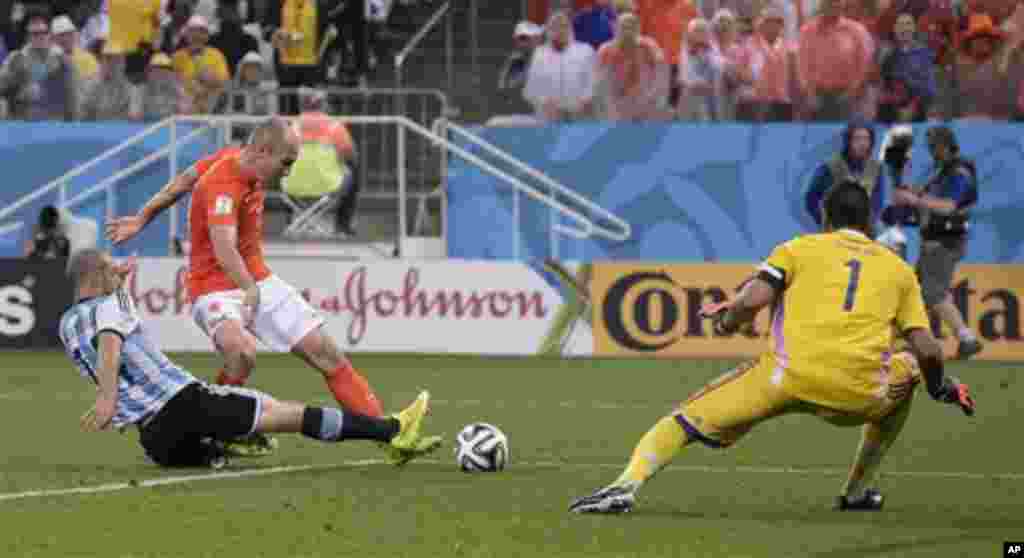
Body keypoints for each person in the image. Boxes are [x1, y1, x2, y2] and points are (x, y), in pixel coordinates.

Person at [569, 181, 975, 515]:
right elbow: (930, 350)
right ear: (868, 221)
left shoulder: (798, 248)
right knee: (909, 371)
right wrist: (941, 386)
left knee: (681, 421)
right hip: (859, 394)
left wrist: (729, 320)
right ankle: (855, 492)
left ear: (825, 218)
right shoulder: (899, 270)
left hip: (783, 379)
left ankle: (625, 485)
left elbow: (753, 300)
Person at [108, 118, 394, 459]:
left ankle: (387, 433)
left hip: (258, 278)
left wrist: (142, 217)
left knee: (327, 354)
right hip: (213, 288)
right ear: (261, 151)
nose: (287, 173)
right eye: (286, 163)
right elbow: (223, 246)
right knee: (241, 352)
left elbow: (183, 181)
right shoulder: (223, 184)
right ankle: (214, 426)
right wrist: (249, 288)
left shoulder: (234, 159)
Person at [58, 249, 441, 469]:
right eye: (111, 267)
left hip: (155, 439)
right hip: (181, 404)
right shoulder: (109, 310)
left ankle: (221, 443)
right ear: (97, 274)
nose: (116, 271)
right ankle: (390, 430)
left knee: (237, 423)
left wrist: (120, 284)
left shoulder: (69, 323)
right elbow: (110, 342)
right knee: (285, 414)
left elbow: (109, 325)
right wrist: (107, 398)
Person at [890, 125, 982, 359]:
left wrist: (913, 199)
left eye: (934, 147)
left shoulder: (959, 173)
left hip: (945, 241)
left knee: (933, 293)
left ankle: (967, 338)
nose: (932, 152)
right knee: (917, 294)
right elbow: (928, 196)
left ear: (945, 145)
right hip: (934, 240)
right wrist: (912, 193)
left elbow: (949, 205)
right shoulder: (943, 171)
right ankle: (912, 342)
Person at [805, 122, 887, 228]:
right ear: (848, 141)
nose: (862, 143)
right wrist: (824, 221)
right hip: (835, 232)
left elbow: (877, 203)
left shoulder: (876, 168)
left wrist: (870, 224)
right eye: (857, 138)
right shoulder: (830, 167)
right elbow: (811, 199)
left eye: (866, 139)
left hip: (864, 234)